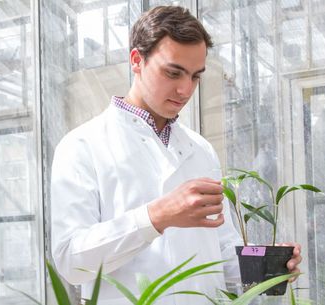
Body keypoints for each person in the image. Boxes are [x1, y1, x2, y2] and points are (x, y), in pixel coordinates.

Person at [49, 5, 303, 304]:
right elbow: (70, 261)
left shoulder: (201, 150)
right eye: (173, 73)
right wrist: (157, 216)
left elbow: (220, 249)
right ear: (136, 60)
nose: (185, 90)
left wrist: (267, 266)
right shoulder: (82, 145)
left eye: (196, 76)